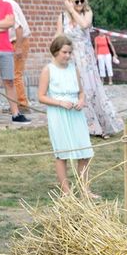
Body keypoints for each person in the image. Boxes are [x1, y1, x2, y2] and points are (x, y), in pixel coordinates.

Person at [56, 0, 123, 138]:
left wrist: (72, 10)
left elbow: (85, 25)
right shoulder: (62, 17)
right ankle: (80, 127)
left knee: (91, 90)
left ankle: (102, 126)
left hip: (86, 60)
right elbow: (58, 38)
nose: (80, 4)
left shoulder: (87, 13)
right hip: (71, 58)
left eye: (81, 1)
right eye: (76, 1)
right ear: (69, 1)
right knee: (75, 92)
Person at [38, 35, 96, 198]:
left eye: (70, 52)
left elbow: (81, 91)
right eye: (64, 52)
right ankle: (66, 191)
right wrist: (59, 102)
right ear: (56, 51)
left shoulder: (73, 68)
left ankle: (85, 190)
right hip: (58, 114)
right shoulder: (48, 70)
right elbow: (41, 96)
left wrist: (81, 100)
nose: (68, 56)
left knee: (84, 151)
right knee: (62, 153)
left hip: (75, 114)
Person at [0, 0, 31, 113]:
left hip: (18, 41)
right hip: (14, 42)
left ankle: (22, 105)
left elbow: (18, 27)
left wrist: (18, 47)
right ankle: (15, 104)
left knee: (15, 75)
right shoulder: (7, 3)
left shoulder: (8, 5)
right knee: (12, 75)